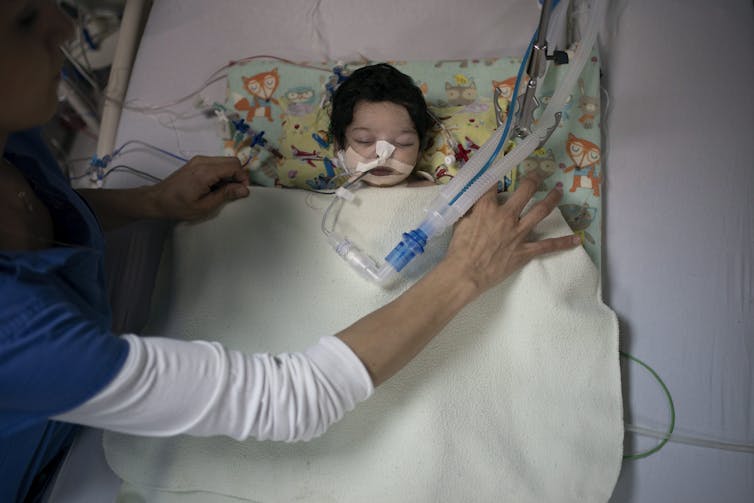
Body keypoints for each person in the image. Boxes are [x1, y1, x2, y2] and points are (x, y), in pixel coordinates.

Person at [0, 2, 581, 501]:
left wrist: (150, 202)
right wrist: (465, 272)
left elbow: (40, 210)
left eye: (405, 141)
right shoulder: (15, 334)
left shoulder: (14, 129)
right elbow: (288, 401)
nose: (61, 21)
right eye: (25, 19)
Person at [329, 63, 433, 187]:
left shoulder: (434, 195)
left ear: (420, 150)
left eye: (403, 142)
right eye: (364, 140)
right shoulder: (318, 199)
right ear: (338, 147)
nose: (383, 154)